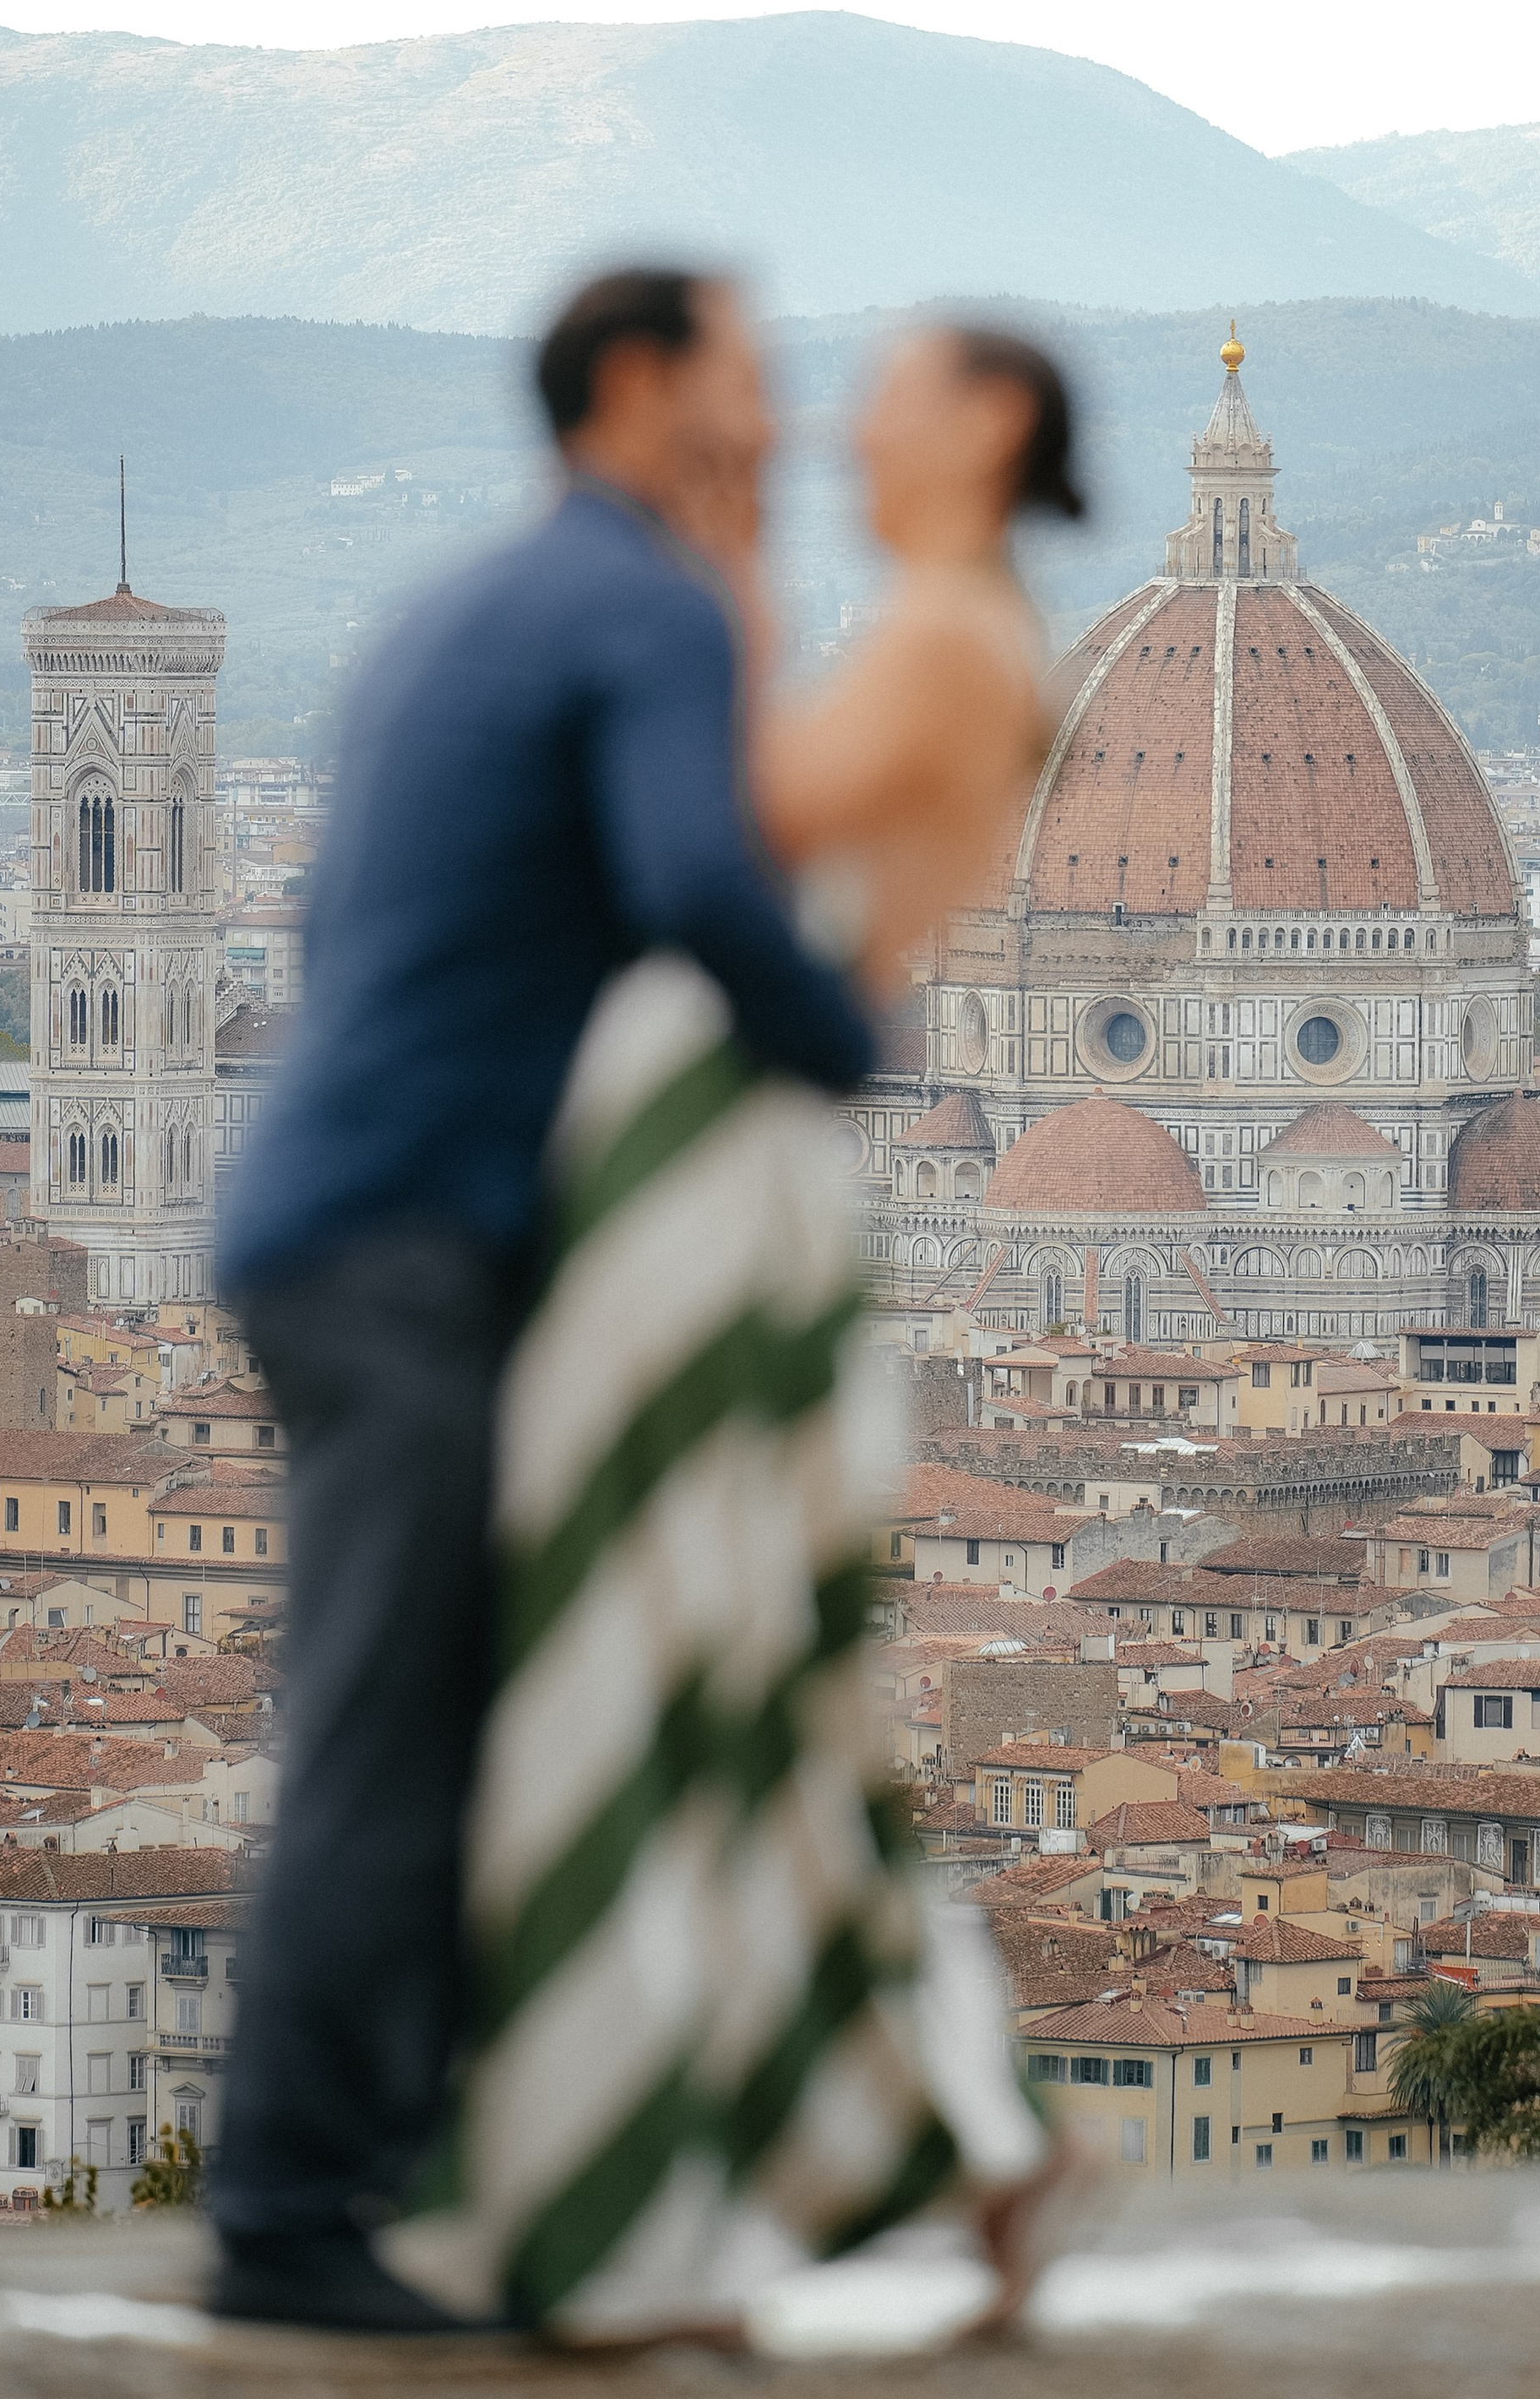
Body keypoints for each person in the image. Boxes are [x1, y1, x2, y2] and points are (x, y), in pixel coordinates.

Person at [209, 267, 875, 2335]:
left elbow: (336, 918)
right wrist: (834, 1032)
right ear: (643, 385)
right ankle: (294, 2214)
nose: (774, 421)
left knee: (437, 1709)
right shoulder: (642, 601)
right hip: (405, 1237)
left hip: (338, 1210)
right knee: (390, 1733)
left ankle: (395, 2177)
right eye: (752, 380)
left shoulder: (452, 605)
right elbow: (693, 875)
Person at [440, 322, 1083, 2343]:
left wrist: (693, 553)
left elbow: (697, 841)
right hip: (718, 1153)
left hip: (717, 1173)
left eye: (886, 387)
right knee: (728, 1680)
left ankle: (682, 2185)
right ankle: (934, 2131)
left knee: (668, 1655)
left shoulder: (943, 634)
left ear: (988, 425)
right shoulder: (936, 623)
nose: (837, 415)